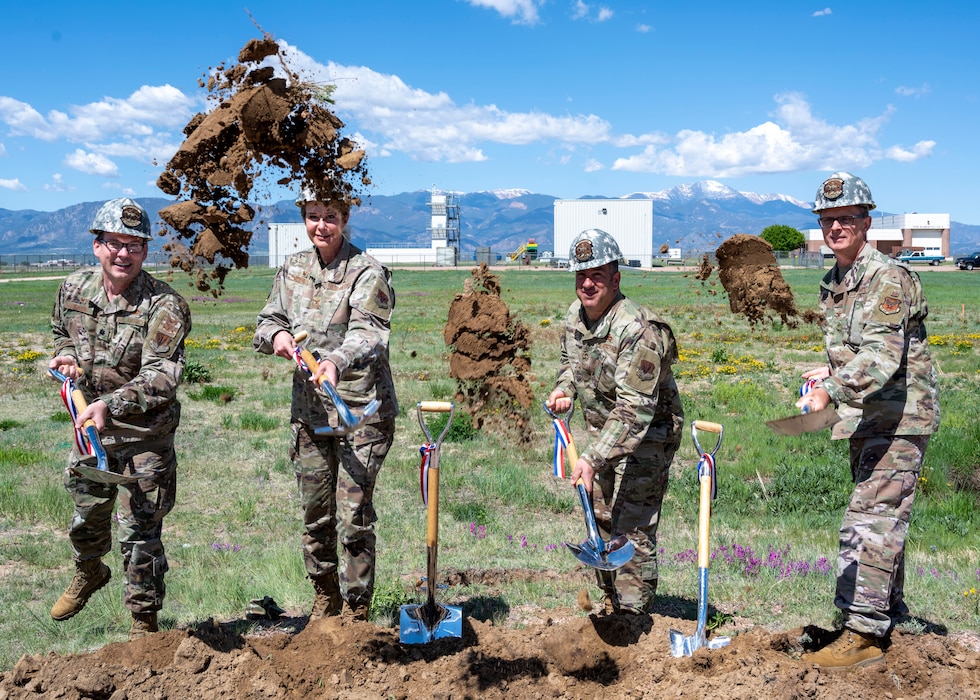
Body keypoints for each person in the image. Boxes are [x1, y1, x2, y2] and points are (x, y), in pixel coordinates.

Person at [799, 172, 940, 669]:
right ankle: (887, 616)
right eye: (828, 220)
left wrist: (831, 390)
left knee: (869, 522)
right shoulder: (835, 280)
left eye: (847, 219)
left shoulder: (887, 278)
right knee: (883, 519)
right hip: (868, 419)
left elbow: (883, 353)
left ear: (866, 222)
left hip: (900, 418)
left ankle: (862, 635)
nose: (836, 227)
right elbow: (859, 350)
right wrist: (832, 369)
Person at [48, 198, 191, 640]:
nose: (123, 254)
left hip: (144, 436)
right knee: (86, 520)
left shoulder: (164, 305)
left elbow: (162, 375)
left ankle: (143, 630)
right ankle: (89, 570)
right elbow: (60, 333)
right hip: (91, 435)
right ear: (97, 246)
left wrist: (112, 404)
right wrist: (67, 358)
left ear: (146, 251)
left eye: (134, 245)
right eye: (114, 243)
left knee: (140, 536)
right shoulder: (72, 289)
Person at [253, 184, 397, 622]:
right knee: (315, 514)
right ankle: (324, 598)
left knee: (353, 516)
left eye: (330, 215)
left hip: (361, 412)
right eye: (313, 215)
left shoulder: (367, 271)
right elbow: (268, 319)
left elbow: (369, 332)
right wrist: (276, 336)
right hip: (310, 413)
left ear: (345, 218)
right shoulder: (292, 269)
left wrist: (334, 361)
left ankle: (356, 609)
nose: (321, 225)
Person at [546, 228, 684, 615]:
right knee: (600, 515)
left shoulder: (639, 330)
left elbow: (636, 409)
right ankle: (611, 598)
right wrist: (564, 391)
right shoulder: (576, 317)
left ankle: (633, 616)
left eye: (598, 276)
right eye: (581, 276)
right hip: (602, 428)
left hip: (649, 431)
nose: (587, 284)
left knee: (632, 525)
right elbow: (569, 366)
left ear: (616, 279)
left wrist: (591, 460)